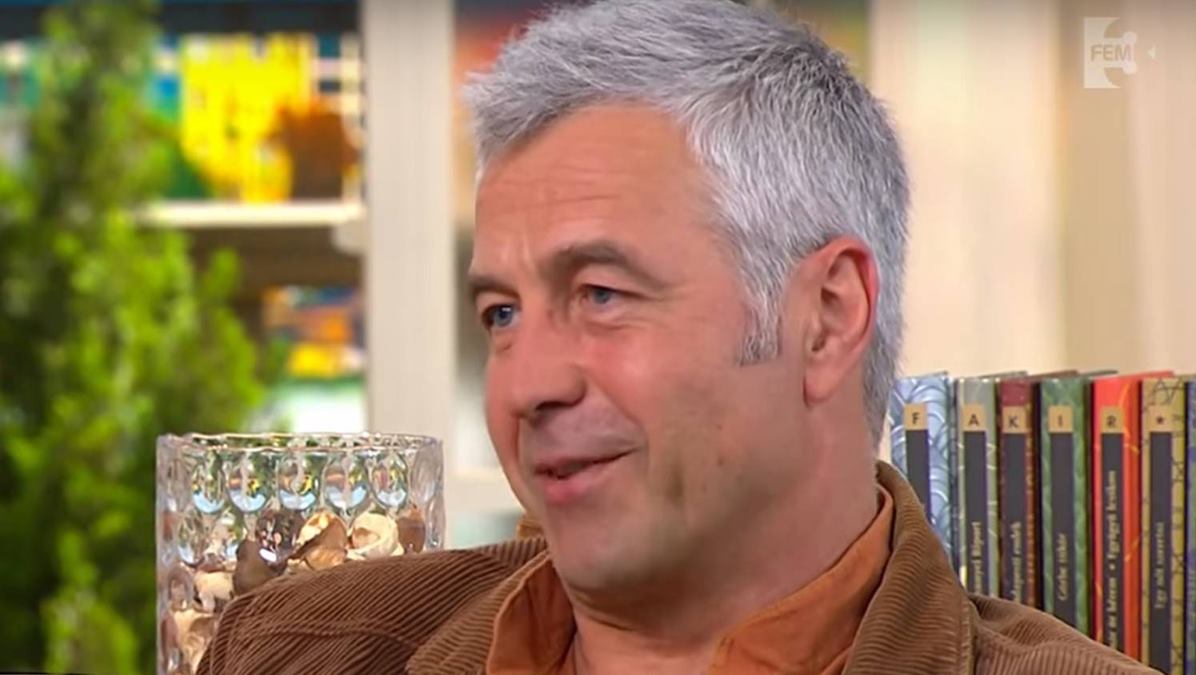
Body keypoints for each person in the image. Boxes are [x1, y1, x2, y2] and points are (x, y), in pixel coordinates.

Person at [199, 1, 1152, 673]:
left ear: (826, 317)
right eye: (502, 314)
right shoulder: (294, 650)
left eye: (601, 294)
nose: (526, 385)